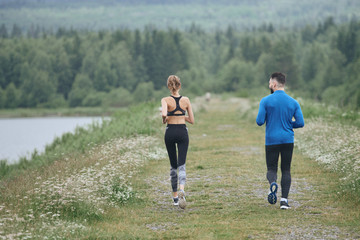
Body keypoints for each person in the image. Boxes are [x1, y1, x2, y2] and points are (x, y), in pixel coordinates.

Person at [256, 72, 304, 209]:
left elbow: (259, 121)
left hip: (272, 140)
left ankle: (272, 184)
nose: (269, 85)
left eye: (270, 83)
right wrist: (288, 125)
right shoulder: (293, 102)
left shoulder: (265, 101)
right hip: (288, 139)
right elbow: (300, 123)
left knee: (271, 168)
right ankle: (284, 201)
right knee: (286, 169)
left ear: (274, 84)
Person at [161, 75, 195, 209]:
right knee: (182, 164)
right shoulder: (186, 100)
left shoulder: (165, 100)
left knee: (173, 165)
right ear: (179, 86)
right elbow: (192, 120)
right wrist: (181, 115)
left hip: (170, 132)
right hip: (182, 132)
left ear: (168, 86)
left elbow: (164, 114)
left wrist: (166, 117)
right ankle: (182, 189)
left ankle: (175, 198)